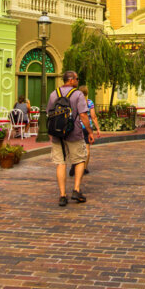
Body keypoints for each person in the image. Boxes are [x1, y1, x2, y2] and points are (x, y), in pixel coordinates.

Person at [48, 70, 95, 206]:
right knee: (80, 159)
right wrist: (90, 132)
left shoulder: (53, 94)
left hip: (58, 134)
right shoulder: (78, 94)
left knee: (60, 162)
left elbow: (49, 113)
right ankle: (76, 189)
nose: (78, 81)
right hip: (74, 133)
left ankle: (62, 195)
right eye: (77, 79)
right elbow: (84, 115)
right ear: (72, 80)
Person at [70, 84, 102, 176]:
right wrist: (98, 128)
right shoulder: (89, 102)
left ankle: (74, 164)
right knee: (87, 148)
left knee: (75, 147)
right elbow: (93, 116)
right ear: (87, 92)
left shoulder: (74, 102)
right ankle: (84, 168)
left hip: (76, 127)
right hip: (86, 127)